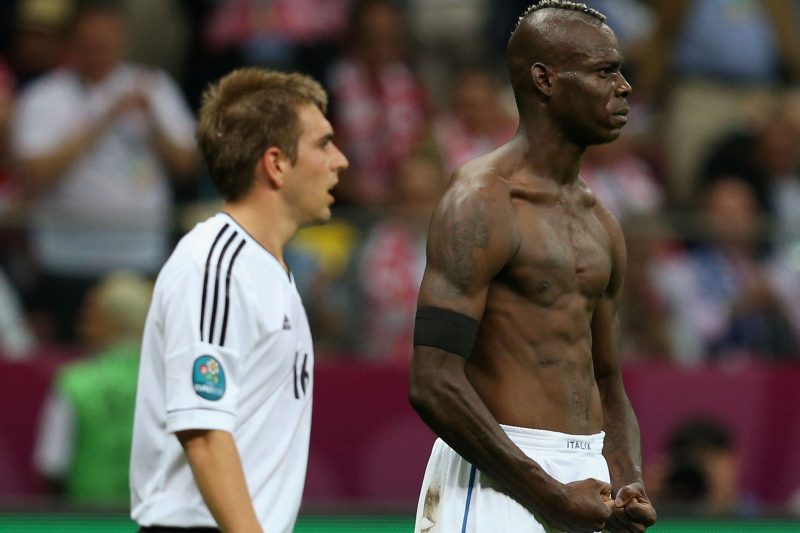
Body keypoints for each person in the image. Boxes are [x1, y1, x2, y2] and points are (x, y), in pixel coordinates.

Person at [408, 2, 657, 532]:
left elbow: (608, 381)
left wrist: (628, 477)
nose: (625, 87)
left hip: (588, 478)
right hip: (497, 475)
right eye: (604, 71)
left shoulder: (601, 222)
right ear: (544, 80)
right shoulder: (480, 201)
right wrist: (548, 491)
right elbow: (432, 382)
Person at [129, 67, 348, 533]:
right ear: (276, 163)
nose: (340, 160)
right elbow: (204, 433)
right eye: (323, 144)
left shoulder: (265, 269)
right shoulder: (216, 264)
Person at [11, 1, 198, 343]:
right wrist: (104, 119)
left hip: (139, 253)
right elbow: (35, 175)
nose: (99, 52)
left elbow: (187, 165)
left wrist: (153, 123)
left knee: (142, 357)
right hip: (67, 258)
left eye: (107, 44)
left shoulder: (151, 86)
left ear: (121, 41)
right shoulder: (45, 96)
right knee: (69, 356)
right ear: (73, 43)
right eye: (90, 44)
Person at [33, 271, 152, 504]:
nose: (83, 320)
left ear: (108, 320)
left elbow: (52, 464)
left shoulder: (73, 382)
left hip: (86, 519)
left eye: (91, 313)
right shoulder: (167, 379)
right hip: (152, 516)